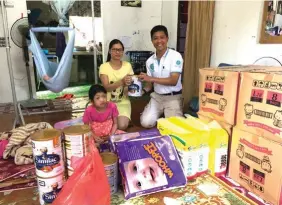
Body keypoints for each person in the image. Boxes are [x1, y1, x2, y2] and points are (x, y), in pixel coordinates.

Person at [139, 25, 183, 128]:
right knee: (146, 123)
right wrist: (142, 91)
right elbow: (149, 85)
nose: (159, 41)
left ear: (167, 38)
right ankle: (162, 115)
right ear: (152, 41)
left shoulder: (175, 56)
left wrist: (151, 78)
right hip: (157, 97)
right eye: (155, 38)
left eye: (162, 37)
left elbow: (173, 81)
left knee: (174, 129)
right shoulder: (149, 61)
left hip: (173, 97)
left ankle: (168, 115)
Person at [99, 39, 133, 130]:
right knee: (104, 125)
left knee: (122, 126)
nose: (118, 52)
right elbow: (107, 88)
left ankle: (120, 121)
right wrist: (122, 82)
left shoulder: (127, 65)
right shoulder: (104, 67)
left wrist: (130, 86)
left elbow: (129, 86)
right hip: (107, 103)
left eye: (120, 50)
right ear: (110, 51)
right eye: (114, 50)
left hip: (123, 102)